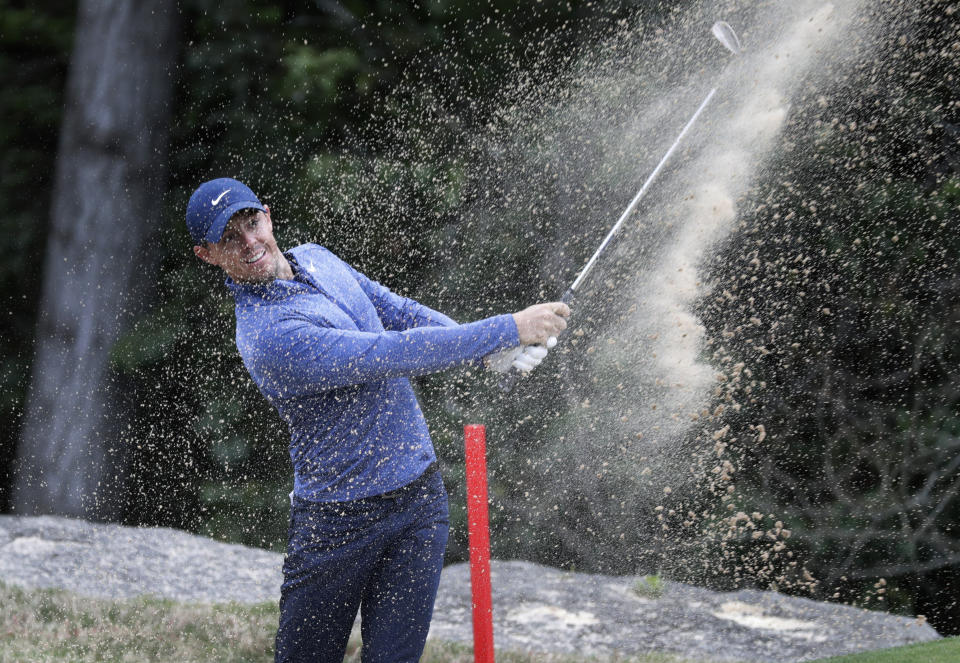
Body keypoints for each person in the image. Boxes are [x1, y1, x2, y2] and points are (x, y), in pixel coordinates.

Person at [186, 177, 569, 663]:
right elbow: (389, 353)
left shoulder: (317, 257)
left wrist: (490, 352)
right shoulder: (269, 337)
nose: (249, 242)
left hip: (418, 502)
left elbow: (399, 314)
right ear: (208, 255)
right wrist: (506, 329)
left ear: (267, 214)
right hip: (337, 524)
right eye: (229, 238)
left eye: (251, 222)